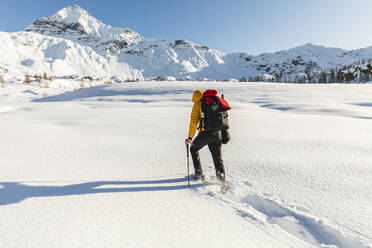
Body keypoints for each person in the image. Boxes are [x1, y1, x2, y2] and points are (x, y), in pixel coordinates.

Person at [185, 89, 230, 183]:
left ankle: (199, 173)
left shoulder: (198, 104)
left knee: (193, 149)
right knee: (218, 159)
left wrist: (189, 138)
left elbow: (193, 122)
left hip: (205, 134)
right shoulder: (215, 101)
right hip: (218, 134)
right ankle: (221, 180)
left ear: (195, 97)